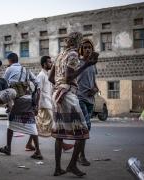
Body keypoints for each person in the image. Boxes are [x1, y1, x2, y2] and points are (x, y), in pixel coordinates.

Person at [48, 32, 98, 177]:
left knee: (60, 134)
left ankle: (58, 168)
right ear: (78, 42)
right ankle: (72, 165)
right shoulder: (73, 55)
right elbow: (69, 77)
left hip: (57, 94)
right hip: (68, 95)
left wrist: (60, 84)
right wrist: (87, 65)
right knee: (83, 133)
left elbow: (51, 78)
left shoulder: (59, 55)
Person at [0, 52, 43, 160]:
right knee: (31, 124)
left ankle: (8, 148)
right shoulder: (26, 70)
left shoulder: (9, 69)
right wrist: (36, 103)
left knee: (11, 123)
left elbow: (3, 83)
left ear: (9, 61)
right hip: (28, 100)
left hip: (17, 100)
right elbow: (38, 84)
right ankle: (38, 151)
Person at [26, 56, 74, 152]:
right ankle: (63, 145)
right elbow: (38, 91)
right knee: (52, 125)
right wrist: (37, 106)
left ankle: (29, 144)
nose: (51, 64)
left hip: (48, 103)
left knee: (39, 125)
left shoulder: (47, 75)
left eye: (51, 62)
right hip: (44, 105)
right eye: (49, 62)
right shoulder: (41, 76)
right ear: (44, 64)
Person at [77, 39, 99, 166]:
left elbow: (94, 82)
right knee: (86, 126)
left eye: (89, 47)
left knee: (83, 129)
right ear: (81, 50)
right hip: (79, 98)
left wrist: (95, 89)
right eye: (85, 47)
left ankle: (79, 154)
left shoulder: (93, 64)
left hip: (90, 99)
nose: (87, 49)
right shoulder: (78, 63)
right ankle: (81, 156)